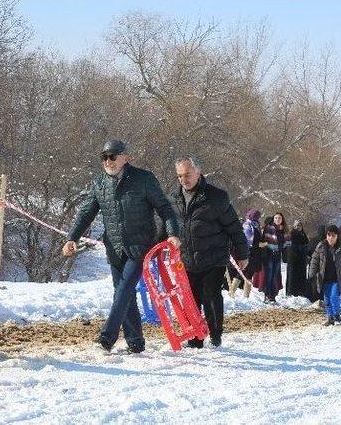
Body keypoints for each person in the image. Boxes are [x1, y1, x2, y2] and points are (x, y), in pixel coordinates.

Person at [63, 140, 180, 353]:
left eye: (112, 156)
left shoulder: (144, 179)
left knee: (124, 289)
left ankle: (107, 336)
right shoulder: (99, 183)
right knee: (122, 292)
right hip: (115, 247)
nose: (108, 161)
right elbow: (86, 212)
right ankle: (135, 342)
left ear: (125, 157)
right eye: (104, 157)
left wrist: (172, 234)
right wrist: (73, 238)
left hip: (140, 245)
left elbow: (164, 208)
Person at [170, 157, 248, 348]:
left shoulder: (215, 197)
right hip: (187, 258)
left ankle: (215, 333)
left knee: (211, 294)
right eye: (180, 175)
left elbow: (234, 227)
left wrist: (242, 253)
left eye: (187, 175)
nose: (183, 179)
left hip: (213, 257)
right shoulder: (174, 199)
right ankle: (195, 337)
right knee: (191, 298)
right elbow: (166, 226)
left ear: (198, 172)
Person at [308, 225, 341, 326]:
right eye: (329, 235)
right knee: (327, 299)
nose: (331, 237)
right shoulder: (321, 245)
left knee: (334, 296)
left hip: (337, 278)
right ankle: (330, 318)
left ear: (337, 236)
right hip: (324, 278)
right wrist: (311, 274)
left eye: (333, 235)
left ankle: (336, 315)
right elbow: (314, 260)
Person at [260, 212, 290, 303]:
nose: (277, 220)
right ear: (273, 219)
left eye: (279, 218)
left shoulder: (284, 230)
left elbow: (287, 243)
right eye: (276, 218)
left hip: (277, 254)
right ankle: (267, 295)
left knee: (275, 276)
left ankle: (273, 296)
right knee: (268, 275)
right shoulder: (268, 228)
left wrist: (286, 246)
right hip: (268, 254)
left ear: (282, 220)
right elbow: (265, 240)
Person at [286, 220, 309, 297]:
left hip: (301, 258)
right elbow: (289, 246)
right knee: (292, 275)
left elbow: (306, 243)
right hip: (293, 258)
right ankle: (291, 292)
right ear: (294, 226)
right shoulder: (292, 234)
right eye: (297, 226)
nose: (298, 227)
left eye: (300, 225)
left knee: (301, 274)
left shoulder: (303, 234)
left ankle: (301, 291)